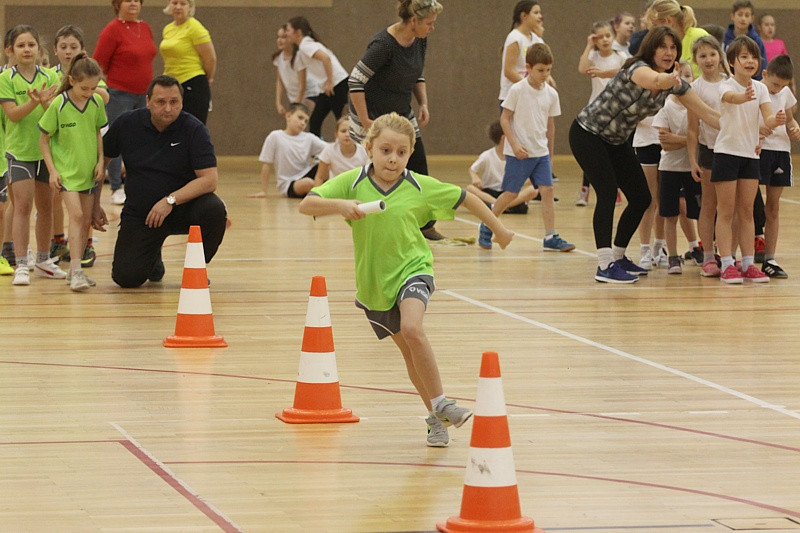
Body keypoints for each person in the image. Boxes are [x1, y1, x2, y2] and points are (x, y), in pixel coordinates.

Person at [298, 113, 514, 447]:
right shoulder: (352, 183)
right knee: (410, 353)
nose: (393, 159)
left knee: (413, 329)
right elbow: (308, 205)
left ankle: (442, 404)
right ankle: (435, 415)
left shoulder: (419, 186)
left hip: (414, 268)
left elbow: (466, 197)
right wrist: (341, 205)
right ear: (369, 148)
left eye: (401, 152)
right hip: (375, 284)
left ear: (410, 153)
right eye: (385, 150)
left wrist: (498, 229)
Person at [568, 26, 721, 284]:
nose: (669, 52)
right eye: (663, 47)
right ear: (651, 48)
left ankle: (618, 256)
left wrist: (744, 127)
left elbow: (707, 114)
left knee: (641, 198)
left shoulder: (675, 84)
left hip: (615, 140)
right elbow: (654, 81)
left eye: (673, 48)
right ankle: (604, 265)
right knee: (607, 192)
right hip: (587, 133)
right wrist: (668, 80)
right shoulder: (637, 68)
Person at [99, 75, 227, 288]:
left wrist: (170, 201)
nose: (168, 108)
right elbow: (100, 163)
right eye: (160, 102)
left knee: (214, 209)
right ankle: (152, 258)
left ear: (182, 102)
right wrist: (94, 205)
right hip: (143, 213)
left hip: (182, 209)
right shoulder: (127, 124)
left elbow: (209, 180)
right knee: (126, 278)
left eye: (174, 102)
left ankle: (196, 265)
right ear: (148, 101)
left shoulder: (194, 129)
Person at [348, 0, 446, 241]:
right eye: (429, 23)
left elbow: (417, 74)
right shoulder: (384, 45)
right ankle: (379, 224)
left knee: (419, 165)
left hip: (401, 112)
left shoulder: (420, 39)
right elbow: (355, 81)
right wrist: (366, 121)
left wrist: (423, 103)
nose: (432, 28)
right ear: (413, 21)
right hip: (373, 116)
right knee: (382, 171)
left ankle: (425, 225)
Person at [479, 43, 573, 252]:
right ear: (528, 67)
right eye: (540, 70)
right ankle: (487, 224)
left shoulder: (551, 94)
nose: (545, 74)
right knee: (511, 193)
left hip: (541, 153)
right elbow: (504, 119)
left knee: (547, 190)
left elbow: (550, 125)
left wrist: (551, 154)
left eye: (548, 70)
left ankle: (550, 236)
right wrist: (514, 144)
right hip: (519, 153)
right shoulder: (517, 90)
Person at [712, 36, 784, 284]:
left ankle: (748, 264)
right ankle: (726, 264)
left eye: (754, 56)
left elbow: (767, 118)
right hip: (726, 154)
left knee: (747, 212)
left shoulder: (761, 88)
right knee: (726, 211)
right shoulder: (725, 85)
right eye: (744, 56)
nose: (750, 61)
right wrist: (743, 97)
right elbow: (731, 98)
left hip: (750, 155)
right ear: (732, 62)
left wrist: (777, 120)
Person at [0, 25, 65, 286]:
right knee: (23, 207)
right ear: (10, 50)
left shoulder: (51, 75)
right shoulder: (6, 78)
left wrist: (47, 103)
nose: (27, 49)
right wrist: (35, 101)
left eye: (31, 45)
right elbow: (13, 115)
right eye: (21, 45)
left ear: (39, 48)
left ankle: (43, 260)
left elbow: (56, 113)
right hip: (19, 152)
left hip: (46, 152)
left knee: (46, 207)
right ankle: (21, 264)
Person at [38, 53, 107, 291]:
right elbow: (44, 140)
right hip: (66, 172)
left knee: (85, 220)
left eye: (93, 88)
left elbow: (97, 132)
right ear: (71, 81)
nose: (89, 92)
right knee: (76, 215)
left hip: (88, 170)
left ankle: (75, 271)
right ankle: (76, 271)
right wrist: (52, 171)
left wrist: (100, 161)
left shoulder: (96, 103)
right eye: (84, 88)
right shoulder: (59, 104)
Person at [50, 25, 110, 269]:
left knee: (83, 209)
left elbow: (104, 96)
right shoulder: (50, 77)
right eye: (63, 46)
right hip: (61, 149)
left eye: (73, 46)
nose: (68, 51)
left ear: (82, 49)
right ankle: (57, 241)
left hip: (84, 152)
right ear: (55, 50)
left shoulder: (91, 77)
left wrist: (87, 90)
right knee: (56, 200)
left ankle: (85, 245)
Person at [94, 0, 157, 206]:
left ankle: (137, 185)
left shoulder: (145, 27)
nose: (133, 3)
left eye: (137, 0)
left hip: (145, 94)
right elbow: (98, 64)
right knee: (117, 139)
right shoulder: (111, 30)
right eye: (128, 0)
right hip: (119, 94)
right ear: (117, 4)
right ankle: (116, 187)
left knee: (142, 140)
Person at [652, 60, 700, 274]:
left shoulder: (697, 106)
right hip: (670, 169)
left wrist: (678, 138)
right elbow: (665, 143)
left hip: (693, 168)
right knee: (670, 215)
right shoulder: (666, 107)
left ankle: (703, 251)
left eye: (688, 75)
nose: (684, 79)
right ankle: (672, 257)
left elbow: (701, 139)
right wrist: (690, 139)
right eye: (680, 76)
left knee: (699, 213)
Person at [687, 35, 729, 277]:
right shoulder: (695, 89)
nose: (708, 59)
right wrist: (693, 160)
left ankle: (729, 255)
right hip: (709, 151)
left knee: (730, 207)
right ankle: (709, 257)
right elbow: (692, 129)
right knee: (709, 204)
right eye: (702, 56)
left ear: (720, 56)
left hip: (732, 150)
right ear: (696, 60)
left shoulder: (731, 84)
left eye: (712, 54)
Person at [755, 55, 800, 278]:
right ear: (765, 74)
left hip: (780, 151)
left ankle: (770, 258)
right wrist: (758, 130)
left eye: (782, 86)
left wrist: (794, 127)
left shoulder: (784, 93)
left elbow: (790, 118)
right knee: (744, 206)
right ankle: (737, 258)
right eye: (775, 84)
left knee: (773, 207)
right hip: (758, 150)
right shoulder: (755, 90)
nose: (777, 89)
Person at [576, 20, 627, 207]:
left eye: (608, 35)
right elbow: (582, 68)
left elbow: (627, 75)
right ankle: (585, 190)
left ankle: (616, 189)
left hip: (615, 111)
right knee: (591, 153)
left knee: (614, 151)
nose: (605, 39)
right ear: (595, 39)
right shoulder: (593, 56)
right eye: (600, 37)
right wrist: (589, 45)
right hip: (595, 110)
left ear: (613, 36)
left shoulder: (621, 56)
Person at [285, 16, 347, 139]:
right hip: (327, 88)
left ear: (298, 32)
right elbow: (302, 85)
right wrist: (295, 106)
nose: (286, 33)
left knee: (343, 121)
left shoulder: (306, 45)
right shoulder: (301, 52)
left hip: (337, 84)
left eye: (288, 30)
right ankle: (318, 150)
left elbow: (326, 58)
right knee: (315, 121)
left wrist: (330, 81)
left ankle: (354, 149)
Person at [250, 102, 326, 198]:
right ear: (288, 116)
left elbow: (331, 149)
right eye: (300, 118)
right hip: (289, 183)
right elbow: (266, 164)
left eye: (306, 121)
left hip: (306, 173)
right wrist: (263, 191)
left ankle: (323, 192)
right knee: (308, 183)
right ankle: (323, 193)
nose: (303, 123)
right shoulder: (275, 136)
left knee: (325, 166)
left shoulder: (309, 138)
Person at [160, 0, 217, 124]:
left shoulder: (195, 27)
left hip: (192, 82)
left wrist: (208, 79)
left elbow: (210, 58)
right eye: (175, 3)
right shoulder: (168, 29)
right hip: (171, 84)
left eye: (183, 4)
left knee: (192, 128)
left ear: (190, 7)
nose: (178, 7)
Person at [467, 120, 537, 214]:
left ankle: (498, 206)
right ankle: (502, 205)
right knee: (470, 189)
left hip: (509, 193)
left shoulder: (517, 155)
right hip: (490, 193)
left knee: (534, 189)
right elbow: (472, 169)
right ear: (503, 138)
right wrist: (474, 177)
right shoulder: (487, 156)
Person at [647, 0, 709, 79]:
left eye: (655, 25)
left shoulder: (699, 36)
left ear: (668, 21)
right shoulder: (659, 43)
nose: (652, 31)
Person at [499, 1, 544, 108]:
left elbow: (544, 63)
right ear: (524, 16)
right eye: (536, 13)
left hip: (530, 97)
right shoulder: (515, 38)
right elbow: (509, 71)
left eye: (540, 13)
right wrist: (529, 86)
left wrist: (547, 79)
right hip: (512, 98)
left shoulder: (537, 39)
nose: (540, 16)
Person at [273, 24, 318, 116]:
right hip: (294, 97)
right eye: (278, 37)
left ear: (291, 39)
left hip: (310, 95)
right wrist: (278, 103)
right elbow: (279, 81)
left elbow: (302, 86)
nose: (279, 40)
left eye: (283, 37)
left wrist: (295, 106)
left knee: (300, 119)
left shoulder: (298, 57)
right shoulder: (278, 58)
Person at [313, 117, 368, 186]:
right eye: (343, 131)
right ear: (336, 134)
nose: (347, 135)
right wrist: (315, 192)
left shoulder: (364, 151)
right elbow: (320, 177)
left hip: (357, 187)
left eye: (351, 131)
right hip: (336, 187)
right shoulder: (329, 149)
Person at [723, 0, 767, 81]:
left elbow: (762, 65)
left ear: (752, 18)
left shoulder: (757, 41)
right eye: (740, 14)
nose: (743, 18)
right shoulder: (724, 38)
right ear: (732, 16)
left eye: (747, 15)